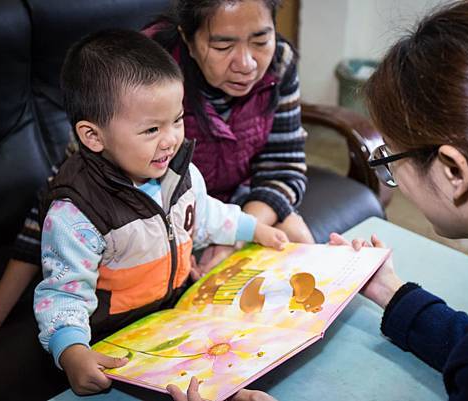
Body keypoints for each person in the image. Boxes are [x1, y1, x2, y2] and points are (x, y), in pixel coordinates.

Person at [169, 1, 468, 400]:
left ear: (453, 172)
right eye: (223, 44)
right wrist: (391, 291)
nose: (245, 61)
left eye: (391, 156)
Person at [32, 28, 290, 396]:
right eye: (152, 129)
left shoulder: (178, 170)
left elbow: (203, 215)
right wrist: (71, 350)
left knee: (250, 343)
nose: (171, 139)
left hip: (177, 310)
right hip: (118, 339)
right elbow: (63, 294)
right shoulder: (77, 213)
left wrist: (252, 228)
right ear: (93, 136)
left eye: (177, 120)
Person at [145, 0, 315, 273]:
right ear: (188, 39)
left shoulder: (279, 63)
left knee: (297, 240)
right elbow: (130, 186)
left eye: (260, 41)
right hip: (156, 210)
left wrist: (236, 233)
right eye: (223, 47)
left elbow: (283, 168)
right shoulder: (146, 73)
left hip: (235, 199)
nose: (247, 65)